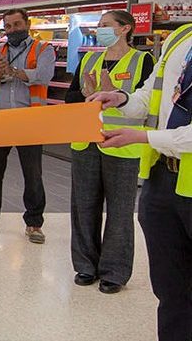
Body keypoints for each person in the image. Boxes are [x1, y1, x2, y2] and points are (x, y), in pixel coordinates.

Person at [90, 22, 192, 341]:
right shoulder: (180, 37)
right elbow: (150, 95)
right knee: (171, 289)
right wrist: (121, 99)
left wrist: (145, 137)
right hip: (163, 180)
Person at [67, 10, 153, 294]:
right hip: (85, 142)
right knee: (83, 206)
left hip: (123, 144)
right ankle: (85, 265)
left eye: (105, 25)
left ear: (125, 28)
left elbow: (147, 103)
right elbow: (70, 97)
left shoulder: (142, 61)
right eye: (99, 25)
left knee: (119, 211)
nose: (99, 29)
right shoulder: (89, 59)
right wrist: (86, 93)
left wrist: (116, 93)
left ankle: (114, 272)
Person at [0, 8, 55, 244]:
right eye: (8, 26)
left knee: (33, 174)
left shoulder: (43, 49)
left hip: (29, 119)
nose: (12, 30)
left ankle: (34, 223)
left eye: (17, 24)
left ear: (27, 24)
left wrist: (15, 72)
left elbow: (44, 75)